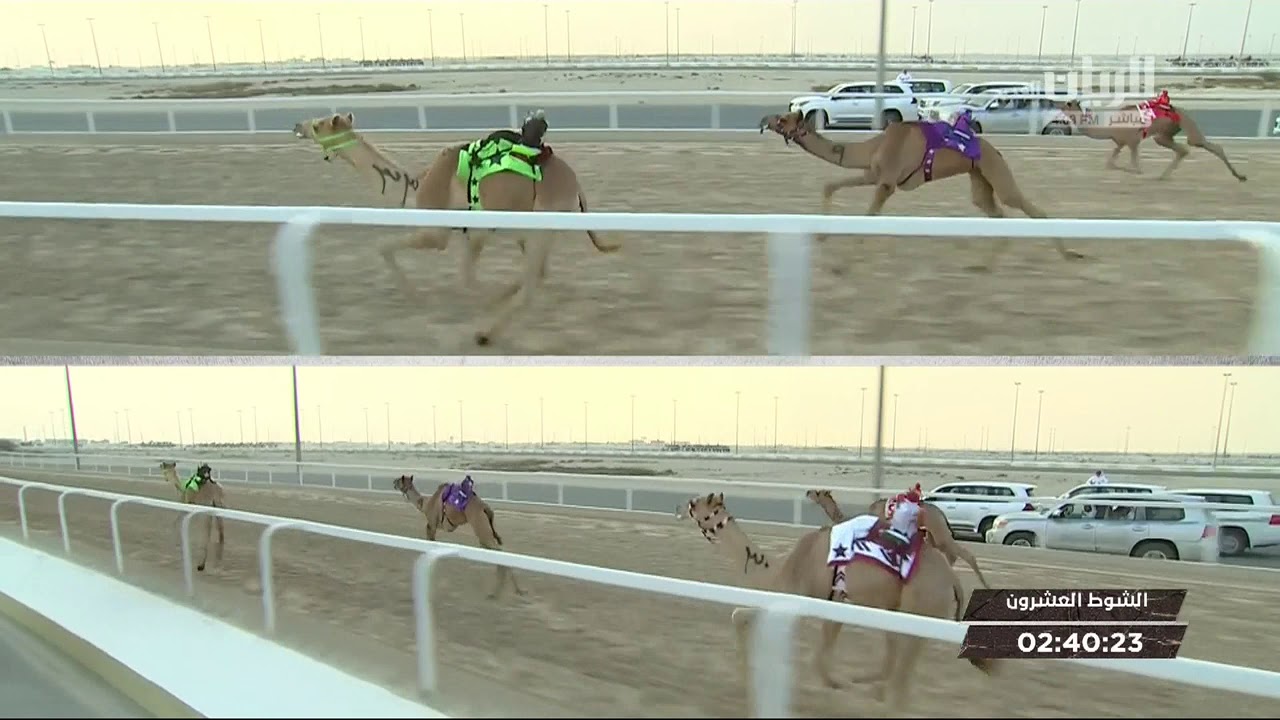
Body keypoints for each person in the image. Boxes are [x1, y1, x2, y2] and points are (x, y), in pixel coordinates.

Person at [881, 483, 924, 549]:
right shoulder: (916, 509)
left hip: (891, 530)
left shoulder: (899, 503)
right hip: (903, 537)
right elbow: (919, 524)